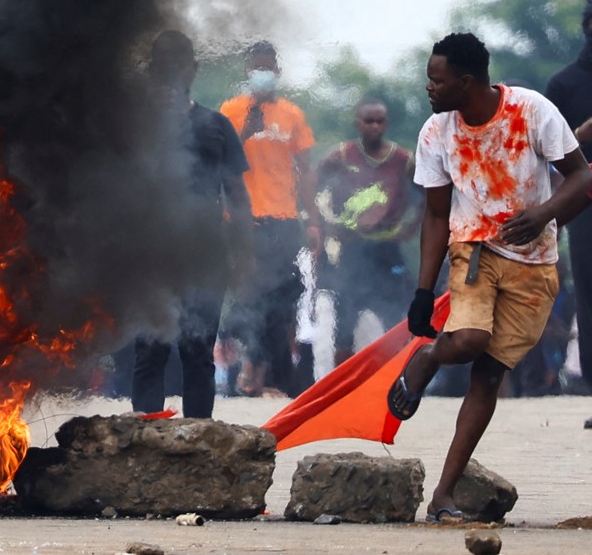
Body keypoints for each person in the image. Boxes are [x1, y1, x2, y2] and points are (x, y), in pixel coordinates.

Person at [389, 33, 591, 523]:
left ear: (467, 81)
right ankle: (430, 357)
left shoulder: (533, 111)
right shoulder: (436, 132)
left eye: (437, 80)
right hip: (473, 249)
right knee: (468, 340)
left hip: (535, 262)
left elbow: (583, 178)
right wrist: (423, 289)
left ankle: (443, 495)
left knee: (489, 376)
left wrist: (543, 213)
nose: (429, 88)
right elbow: (436, 216)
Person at [129, 30, 252, 419]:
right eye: (164, 65)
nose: (173, 73)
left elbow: (238, 195)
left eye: (180, 65)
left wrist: (244, 252)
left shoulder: (216, 125)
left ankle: (199, 437)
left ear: (193, 69)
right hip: (151, 251)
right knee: (151, 348)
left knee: (198, 349)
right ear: (153, 70)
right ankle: (144, 437)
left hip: (205, 253)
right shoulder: (134, 125)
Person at [219, 41, 321, 397]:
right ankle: (250, 368)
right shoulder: (230, 111)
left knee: (283, 298)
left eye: (268, 66)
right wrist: (247, 128)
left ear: (276, 72)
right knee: (249, 297)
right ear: (248, 72)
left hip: (283, 218)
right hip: (243, 220)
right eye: (256, 66)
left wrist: (313, 220)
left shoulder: (292, 114)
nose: (262, 72)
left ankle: (270, 375)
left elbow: (305, 171)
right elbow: (220, 160)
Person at [314, 100, 421, 362]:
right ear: (357, 123)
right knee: (346, 321)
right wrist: (323, 223)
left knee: (397, 317)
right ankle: (341, 385)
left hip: (388, 249)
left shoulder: (404, 160)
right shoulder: (340, 155)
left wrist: (412, 226)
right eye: (368, 121)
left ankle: (396, 378)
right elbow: (310, 185)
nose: (374, 126)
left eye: (379, 121)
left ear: (386, 123)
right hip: (353, 249)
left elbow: (432, 194)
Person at [543, 0, 592, 427]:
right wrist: (582, 133)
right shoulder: (564, 84)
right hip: (585, 205)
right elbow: (545, 153)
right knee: (590, 297)